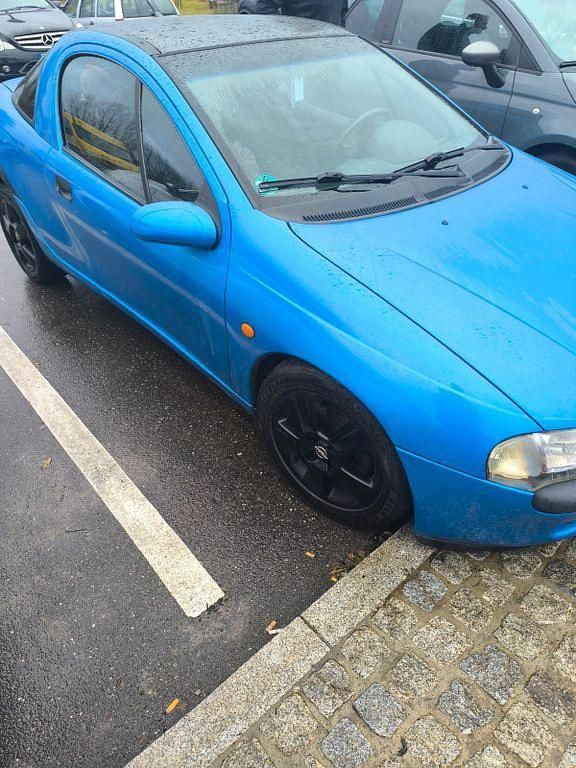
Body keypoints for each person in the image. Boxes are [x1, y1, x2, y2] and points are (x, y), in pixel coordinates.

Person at [255, 0, 346, 27]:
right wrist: (286, 31)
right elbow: (264, 8)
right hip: (302, 50)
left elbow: (343, 11)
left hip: (333, 47)